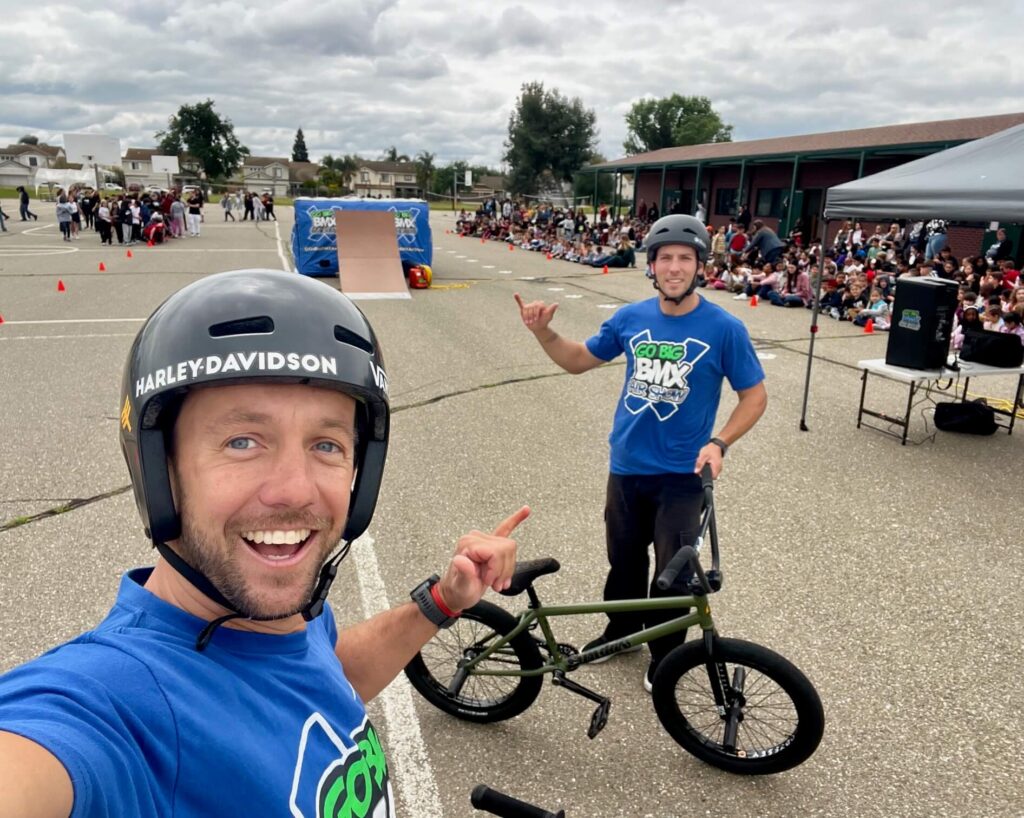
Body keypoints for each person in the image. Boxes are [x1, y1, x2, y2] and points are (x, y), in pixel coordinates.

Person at [0, 269, 526, 818]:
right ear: (160, 471)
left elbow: (322, 675)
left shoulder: (288, 613)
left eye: (326, 444)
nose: (295, 490)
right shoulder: (116, 707)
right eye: (243, 441)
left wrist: (441, 601)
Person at [514, 214, 767, 692]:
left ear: (699, 267)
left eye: (684, 259)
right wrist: (543, 333)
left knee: (674, 576)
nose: (674, 267)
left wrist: (720, 442)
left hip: (682, 477)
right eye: (665, 258)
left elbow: (754, 396)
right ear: (651, 265)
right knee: (624, 561)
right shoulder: (630, 319)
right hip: (627, 467)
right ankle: (623, 631)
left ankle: (667, 657)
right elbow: (577, 361)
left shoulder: (723, 328)